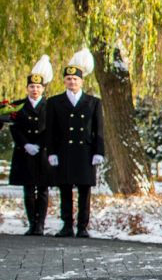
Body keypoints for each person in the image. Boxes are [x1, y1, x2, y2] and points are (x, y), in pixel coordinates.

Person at [45, 48, 104, 238]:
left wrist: (99, 151)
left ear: (82, 81)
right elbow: (51, 130)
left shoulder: (93, 102)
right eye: (69, 79)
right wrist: (51, 152)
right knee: (65, 189)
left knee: (85, 190)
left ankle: (83, 226)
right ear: (64, 81)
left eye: (75, 79)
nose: (72, 82)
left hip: (85, 152)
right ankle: (67, 226)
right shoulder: (55, 102)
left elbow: (99, 129)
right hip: (64, 151)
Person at [10, 56, 53, 236]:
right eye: (32, 87)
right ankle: (31, 224)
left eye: (38, 87)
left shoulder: (50, 106)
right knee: (28, 189)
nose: (35, 90)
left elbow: (51, 129)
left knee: (42, 190)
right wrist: (25, 144)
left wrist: (40, 144)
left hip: (43, 152)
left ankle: (40, 225)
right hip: (24, 152)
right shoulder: (18, 106)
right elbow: (15, 128)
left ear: (43, 88)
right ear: (27, 88)